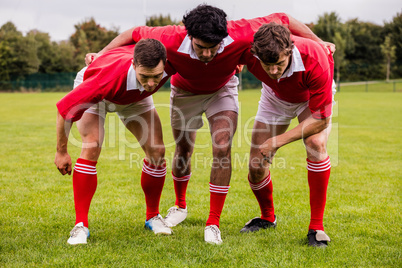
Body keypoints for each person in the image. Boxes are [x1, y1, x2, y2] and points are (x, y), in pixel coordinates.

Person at [85, 5, 334, 244]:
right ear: (189, 35)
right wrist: (102, 53)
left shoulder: (245, 34)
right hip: (194, 91)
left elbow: (284, 19)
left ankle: (220, 222)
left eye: (213, 47)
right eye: (201, 47)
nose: (207, 54)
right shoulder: (170, 37)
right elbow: (133, 33)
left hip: (242, 91)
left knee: (237, 145)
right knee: (191, 151)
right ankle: (188, 206)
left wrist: (319, 42)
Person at [54, 39, 176, 245]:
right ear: (133, 65)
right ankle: (80, 226)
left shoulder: (170, 63)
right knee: (92, 145)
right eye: (145, 76)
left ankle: (153, 216)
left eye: (157, 76)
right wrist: (61, 151)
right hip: (100, 94)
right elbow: (65, 111)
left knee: (157, 151)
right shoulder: (104, 79)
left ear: (166, 63)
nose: (152, 84)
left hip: (135, 97)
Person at [239, 23, 335, 247]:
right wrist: (233, 63)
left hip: (309, 97)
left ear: (290, 50)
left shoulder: (315, 57)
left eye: (279, 64)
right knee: (255, 165)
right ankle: (267, 218)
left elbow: (321, 119)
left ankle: (317, 228)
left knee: (316, 143)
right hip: (275, 98)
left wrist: (276, 142)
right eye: (267, 65)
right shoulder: (248, 50)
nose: (273, 71)